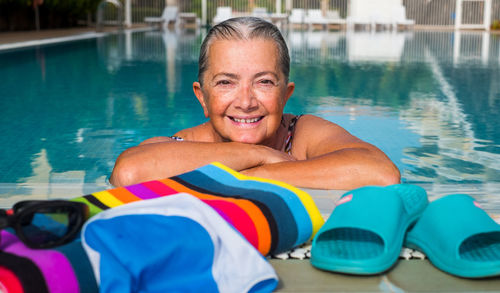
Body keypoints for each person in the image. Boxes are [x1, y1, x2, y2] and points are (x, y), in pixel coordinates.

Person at [110, 17, 400, 190]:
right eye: (226, 82)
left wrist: (260, 170)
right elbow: (129, 172)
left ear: (285, 95)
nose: (246, 102)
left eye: (264, 82)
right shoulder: (183, 142)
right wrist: (261, 154)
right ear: (202, 97)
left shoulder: (302, 132)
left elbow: (380, 172)